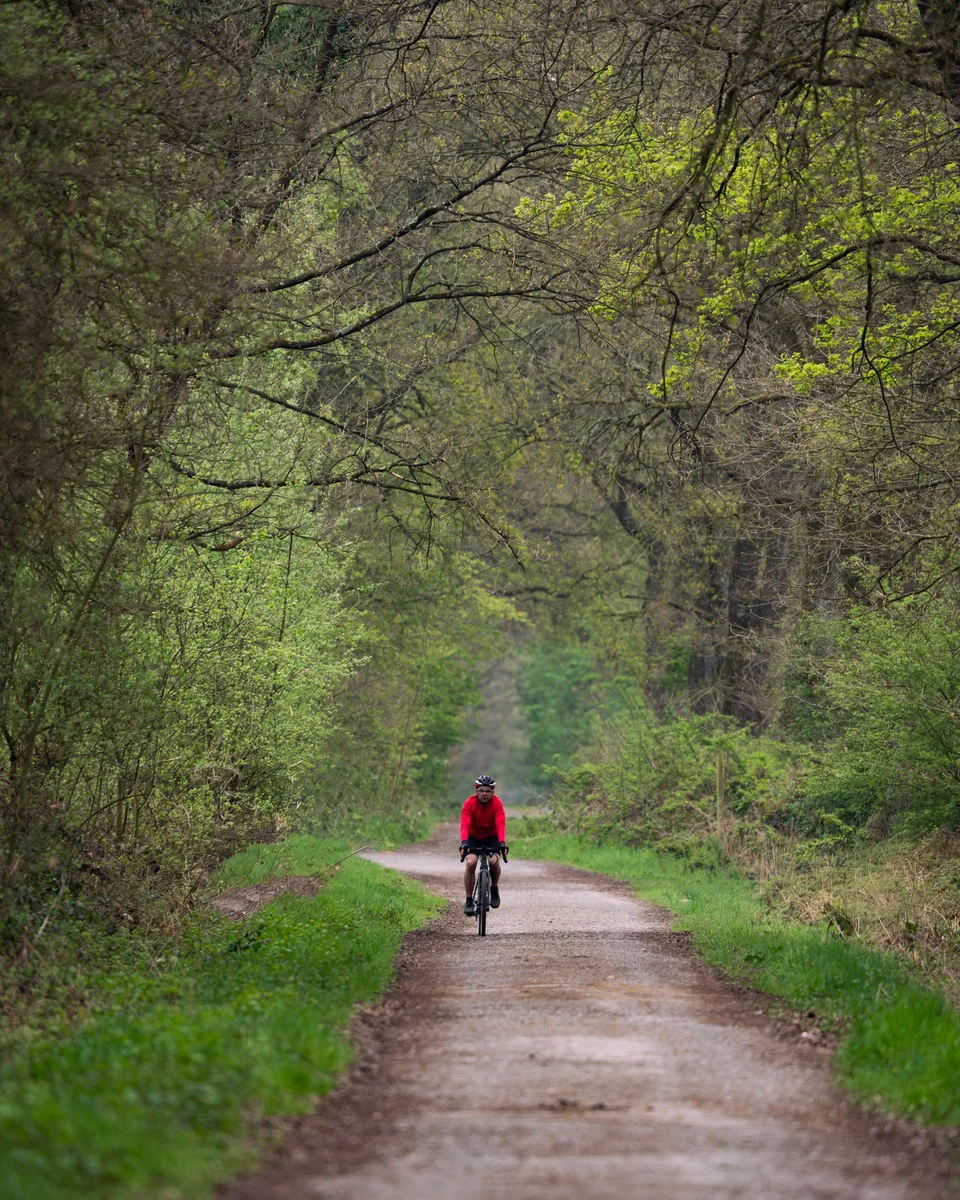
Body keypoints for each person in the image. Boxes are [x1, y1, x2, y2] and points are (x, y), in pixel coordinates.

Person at [459, 774, 507, 916]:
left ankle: (494, 887)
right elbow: (465, 824)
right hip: (473, 837)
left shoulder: (497, 803)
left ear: (493, 792)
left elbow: (501, 824)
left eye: (488, 791)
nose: (484, 793)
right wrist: (464, 843)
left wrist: (502, 843)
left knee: (493, 862)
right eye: (481, 790)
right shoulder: (469, 803)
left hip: (492, 837)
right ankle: (469, 900)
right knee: (471, 863)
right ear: (476, 791)